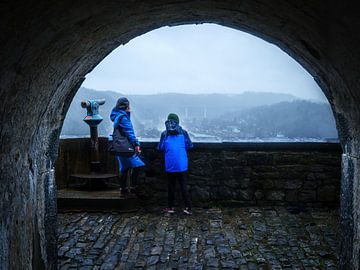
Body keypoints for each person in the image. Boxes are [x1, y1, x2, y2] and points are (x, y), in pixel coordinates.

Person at [157, 113, 193, 215]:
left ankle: (170, 207)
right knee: (183, 185)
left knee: (171, 186)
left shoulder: (164, 134)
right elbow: (190, 145)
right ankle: (188, 207)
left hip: (170, 163)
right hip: (181, 163)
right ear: (178, 121)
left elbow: (160, 147)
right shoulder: (184, 132)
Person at [110, 97, 145, 195]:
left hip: (119, 146)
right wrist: (136, 144)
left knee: (124, 168)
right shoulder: (123, 117)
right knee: (138, 166)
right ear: (126, 106)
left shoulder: (117, 116)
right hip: (126, 147)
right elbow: (129, 132)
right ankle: (133, 188)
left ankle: (123, 190)